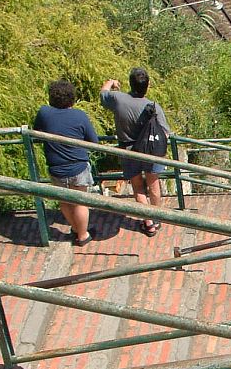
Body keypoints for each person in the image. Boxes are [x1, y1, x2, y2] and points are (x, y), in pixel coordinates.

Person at [100, 68, 171, 237]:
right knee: (153, 184)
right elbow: (165, 133)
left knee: (138, 186)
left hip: (128, 150)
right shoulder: (153, 106)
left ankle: (148, 224)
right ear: (148, 86)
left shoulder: (118, 99)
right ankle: (156, 218)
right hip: (150, 150)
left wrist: (111, 82)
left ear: (130, 84)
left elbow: (103, 94)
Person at [31, 79, 99, 246]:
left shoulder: (44, 113)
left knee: (65, 201)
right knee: (80, 201)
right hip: (78, 167)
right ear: (72, 98)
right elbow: (94, 141)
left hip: (56, 168)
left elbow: (36, 133)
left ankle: (76, 229)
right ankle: (83, 235)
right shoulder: (80, 115)